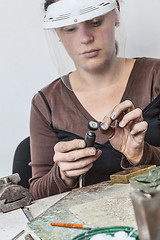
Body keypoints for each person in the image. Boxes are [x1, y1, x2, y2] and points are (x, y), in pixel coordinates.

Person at [29, 0, 160, 200]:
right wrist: (63, 175)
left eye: (96, 22)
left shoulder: (155, 76)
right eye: (70, 28)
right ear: (57, 32)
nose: (85, 38)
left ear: (115, 14)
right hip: (86, 229)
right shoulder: (45, 103)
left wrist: (142, 155)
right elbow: (36, 194)